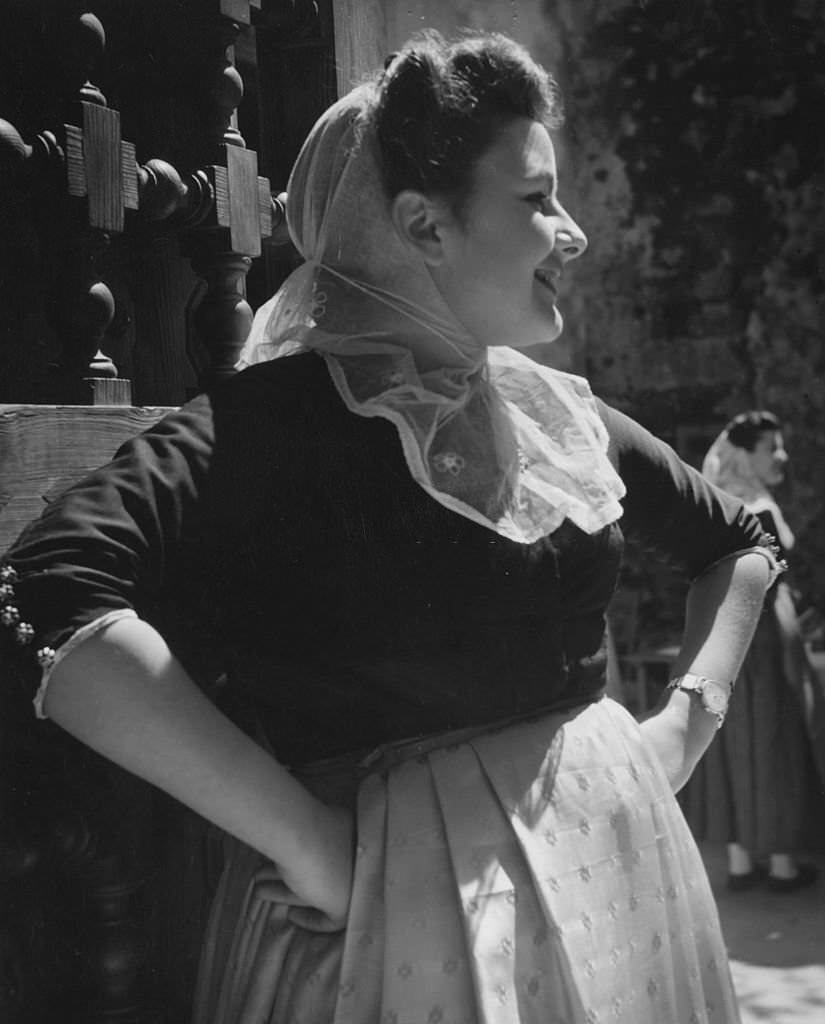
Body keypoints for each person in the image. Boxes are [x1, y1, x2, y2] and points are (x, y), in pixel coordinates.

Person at [1, 31, 782, 1024]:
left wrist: (684, 724)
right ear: (423, 224)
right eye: (538, 200)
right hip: (395, 930)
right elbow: (48, 584)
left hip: (620, 880)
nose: (573, 234)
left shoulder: (560, 416)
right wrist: (302, 838)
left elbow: (744, 542)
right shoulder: (266, 425)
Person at [685, 411, 822, 892]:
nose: (780, 455)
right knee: (773, 736)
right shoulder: (757, 510)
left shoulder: (720, 503)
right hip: (762, 638)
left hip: (728, 635)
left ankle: (743, 861)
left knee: (734, 739)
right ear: (745, 454)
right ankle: (782, 863)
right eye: (771, 447)